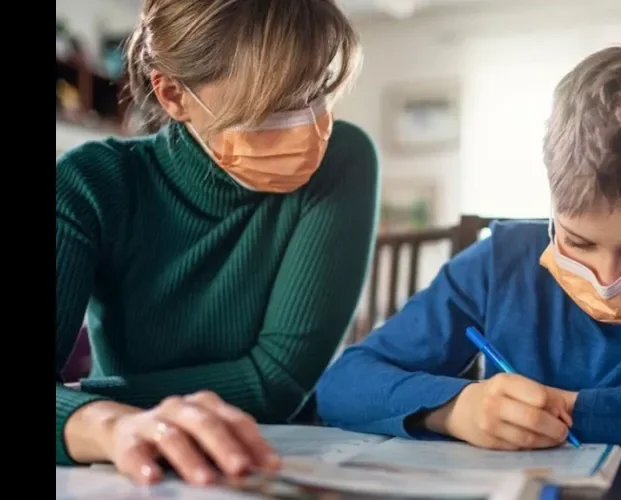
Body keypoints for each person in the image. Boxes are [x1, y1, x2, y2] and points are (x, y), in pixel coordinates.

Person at [316, 44, 621, 452]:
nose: (605, 280)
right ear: (550, 190)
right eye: (579, 241)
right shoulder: (498, 264)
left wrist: (574, 410)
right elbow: (344, 384)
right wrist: (454, 410)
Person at [55, 0, 379, 485]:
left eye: (318, 92)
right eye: (272, 107)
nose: (310, 126)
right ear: (173, 95)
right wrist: (105, 422)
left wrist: (79, 399)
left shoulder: (343, 161)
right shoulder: (90, 186)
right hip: (132, 469)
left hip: (280, 453)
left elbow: (276, 382)